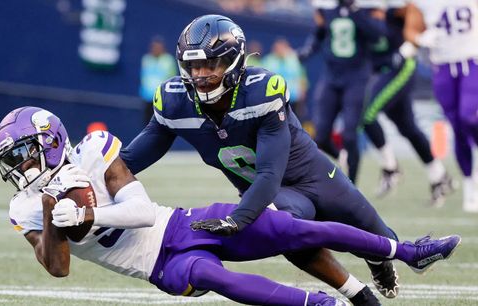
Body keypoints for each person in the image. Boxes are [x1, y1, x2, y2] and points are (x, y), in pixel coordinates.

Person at [0, 106, 461, 306]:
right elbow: (57, 267)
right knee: (214, 277)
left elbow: (138, 211)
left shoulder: (96, 149)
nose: (20, 169)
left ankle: (407, 253)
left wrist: (88, 214)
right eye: (12, 161)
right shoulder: (25, 207)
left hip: (178, 225)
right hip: (158, 267)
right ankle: (316, 303)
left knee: (287, 230)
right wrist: (59, 218)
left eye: (24, 153)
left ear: (52, 140)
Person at [120, 14, 400, 303]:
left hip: (310, 176)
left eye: (210, 64)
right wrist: (88, 171)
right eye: (194, 66)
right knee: (287, 233)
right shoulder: (175, 102)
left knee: (383, 239)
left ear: (234, 61)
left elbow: (269, 172)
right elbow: (128, 161)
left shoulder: (259, 91)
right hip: (268, 192)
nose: (201, 75)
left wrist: (237, 219)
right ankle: (358, 294)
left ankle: (378, 260)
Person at [362, 0, 454, 204]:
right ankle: (439, 176)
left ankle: (390, 167)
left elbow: (414, 9)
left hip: (399, 65)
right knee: (407, 127)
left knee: (367, 114)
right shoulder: (355, 10)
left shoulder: (397, 8)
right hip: (380, 68)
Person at [298, 0, 387, 183]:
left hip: (356, 78)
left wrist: (356, 12)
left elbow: (378, 36)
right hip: (331, 77)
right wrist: (308, 50)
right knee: (320, 136)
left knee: (349, 135)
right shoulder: (329, 9)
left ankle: (352, 185)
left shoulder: (365, 9)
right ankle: (343, 158)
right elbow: (320, 33)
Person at [403, 0, 478, 212]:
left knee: (468, 116)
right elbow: (410, 30)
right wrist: (419, 38)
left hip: (472, 62)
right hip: (443, 66)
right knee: (457, 127)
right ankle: (470, 184)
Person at [262, 37, 309, 119]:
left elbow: (301, 78)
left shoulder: (294, 60)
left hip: (293, 98)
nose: (280, 50)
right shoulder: (268, 61)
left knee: (293, 122)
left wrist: (302, 96)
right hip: (274, 99)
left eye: (283, 48)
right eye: (278, 48)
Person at [139, 36, 177, 125]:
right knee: (147, 124)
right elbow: (144, 78)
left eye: (158, 47)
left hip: (162, 99)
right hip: (148, 98)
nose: (156, 49)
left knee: (161, 124)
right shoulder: (146, 59)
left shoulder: (168, 60)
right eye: (154, 47)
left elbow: (172, 78)